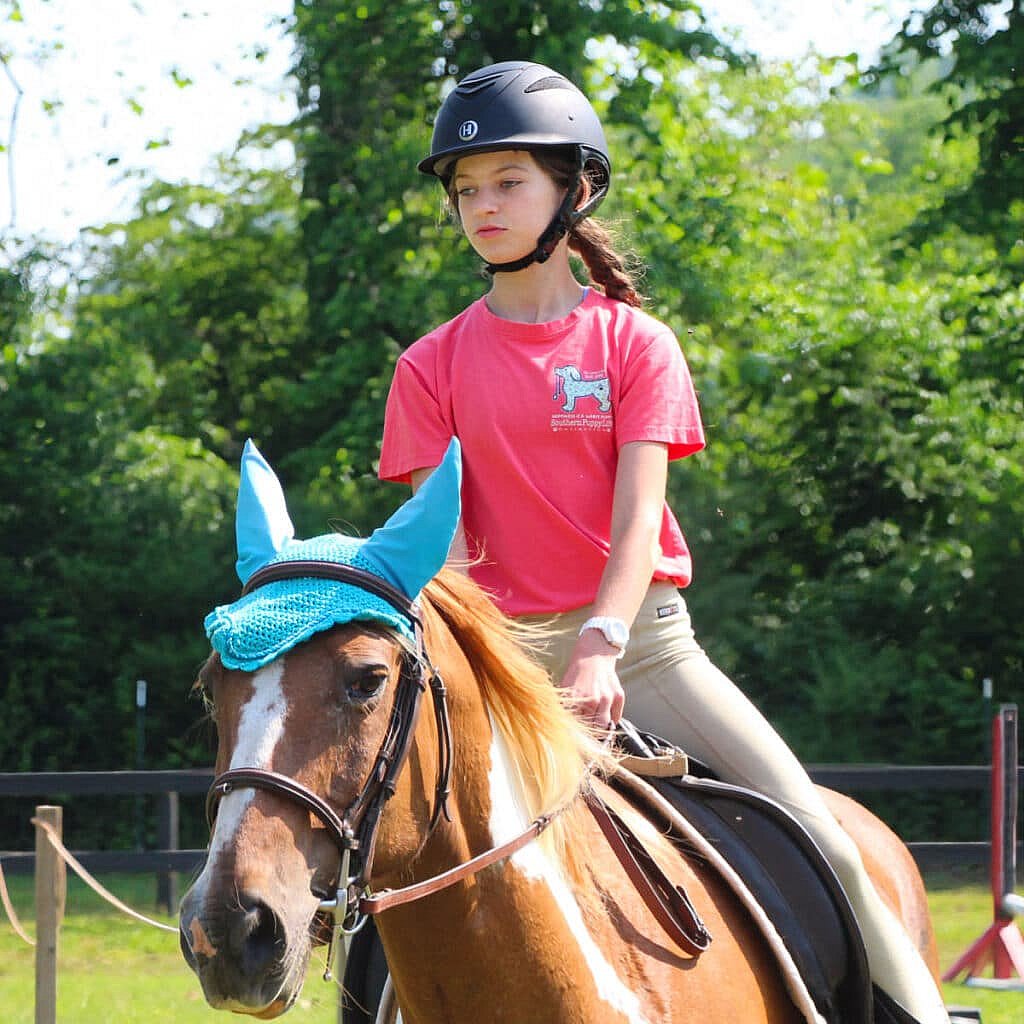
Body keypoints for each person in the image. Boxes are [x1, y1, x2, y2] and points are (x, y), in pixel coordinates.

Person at [378, 60, 947, 1024]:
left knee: (825, 836)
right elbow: (451, 552)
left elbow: (639, 516)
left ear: (575, 188)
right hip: (496, 662)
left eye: (509, 181)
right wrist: (502, 666)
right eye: (466, 188)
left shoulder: (637, 346)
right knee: (390, 864)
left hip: (643, 646)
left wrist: (603, 639)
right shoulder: (429, 365)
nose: (482, 204)